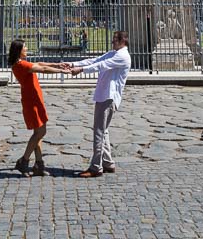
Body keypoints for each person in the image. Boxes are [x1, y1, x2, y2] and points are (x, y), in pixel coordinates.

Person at [69, 30, 131, 178]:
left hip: (109, 97)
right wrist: (73, 63)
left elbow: (102, 65)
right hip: (104, 95)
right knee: (104, 130)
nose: (112, 42)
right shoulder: (114, 53)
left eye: (115, 40)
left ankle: (96, 167)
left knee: (99, 131)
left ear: (123, 41)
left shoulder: (122, 56)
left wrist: (81, 70)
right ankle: (108, 162)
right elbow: (95, 60)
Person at [8, 39, 69, 177]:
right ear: (19, 50)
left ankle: (38, 165)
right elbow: (42, 69)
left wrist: (56, 64)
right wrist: (61, 71)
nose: (27, 49)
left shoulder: (21, 64)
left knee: (38, 133)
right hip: (32, 102)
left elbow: (40, 64)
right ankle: (23, 161)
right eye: (25, 47)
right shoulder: (21, 65)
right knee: (40, 132)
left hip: (34, 100)